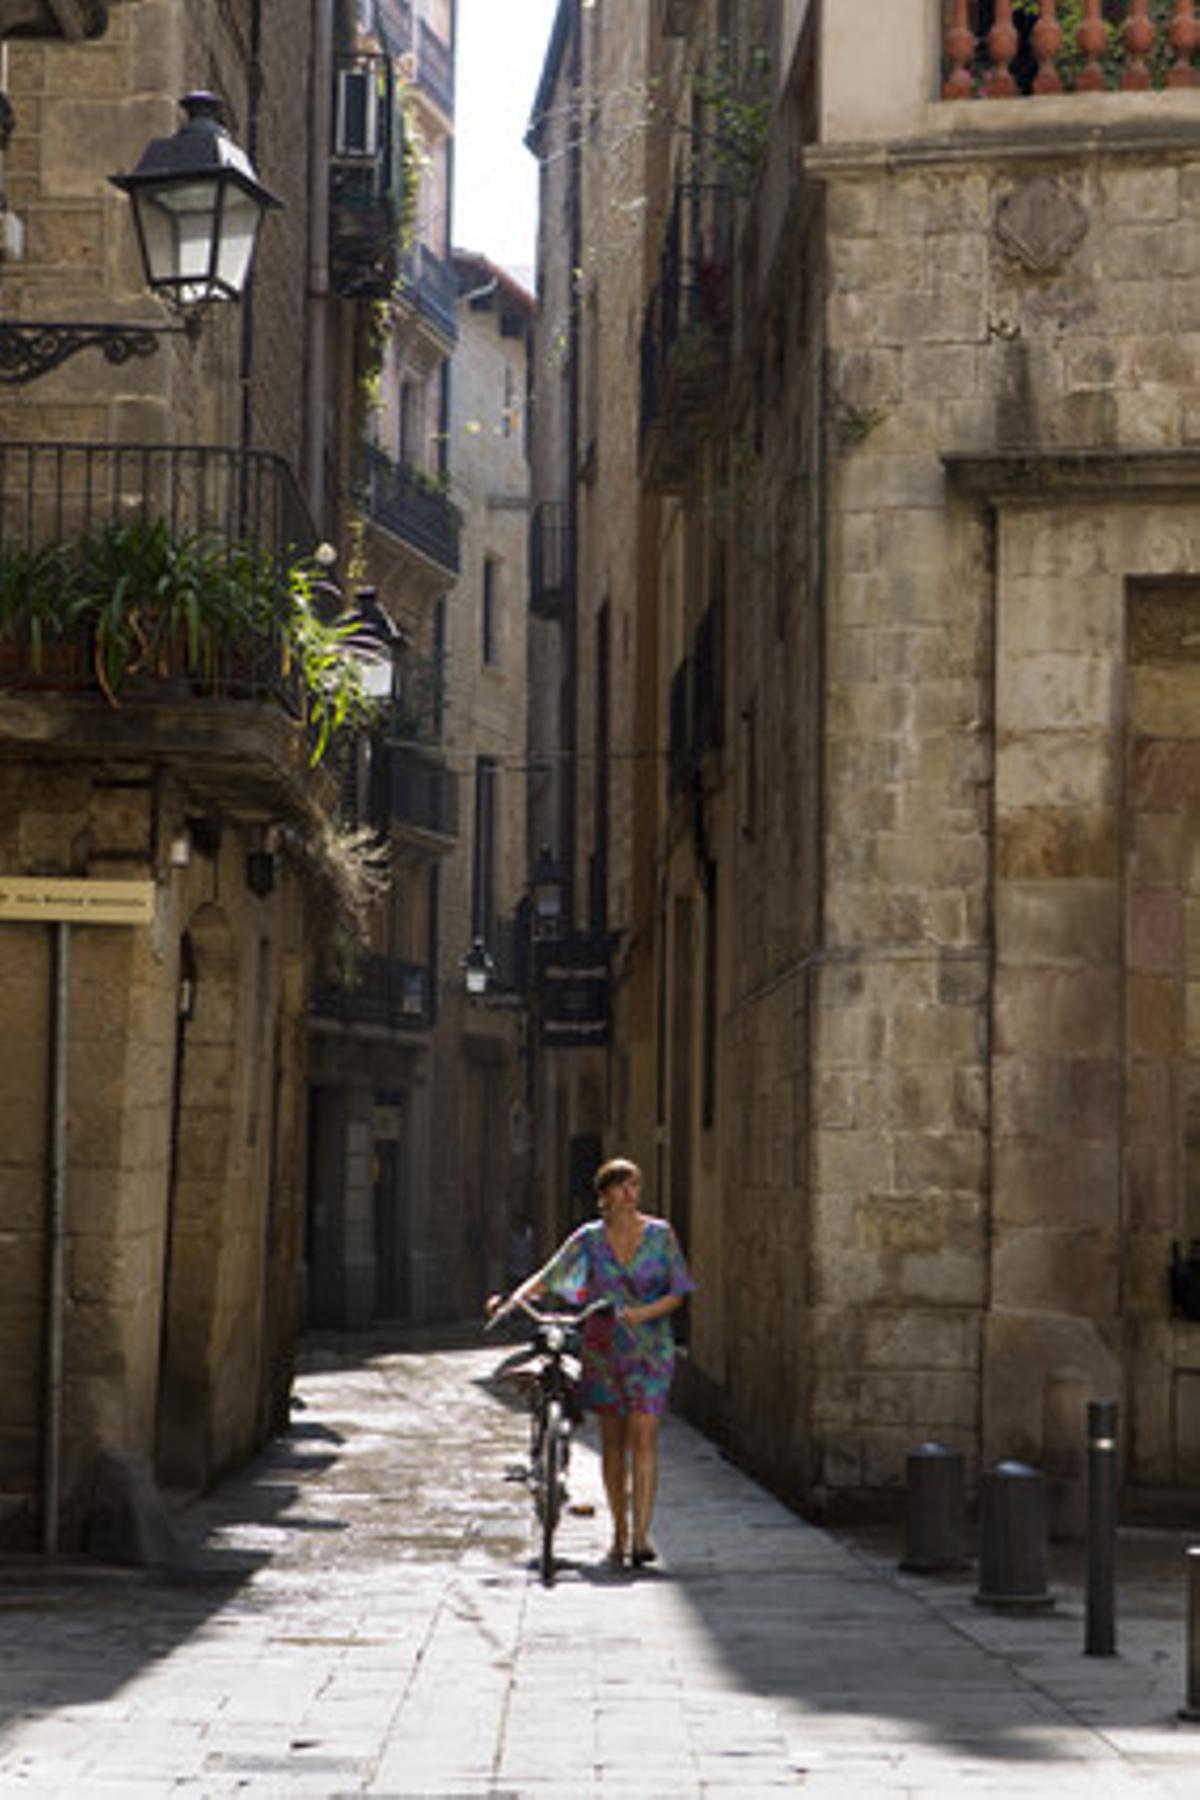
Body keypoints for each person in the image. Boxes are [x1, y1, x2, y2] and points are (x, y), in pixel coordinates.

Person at [488, 1157, 694, 1569]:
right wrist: (514, 1300)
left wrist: (644, 1313)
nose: (631, 1194)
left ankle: (641, 1536)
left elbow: (679, 1291)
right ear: (605, 1195)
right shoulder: (589, 1239)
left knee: (645, 1436)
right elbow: (551, 1274)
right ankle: (619, 1533)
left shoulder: (660, 1235)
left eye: (634, 1185)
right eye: (621, 1186)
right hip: (604, 1351)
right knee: (614, 1442)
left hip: (652, 1350)